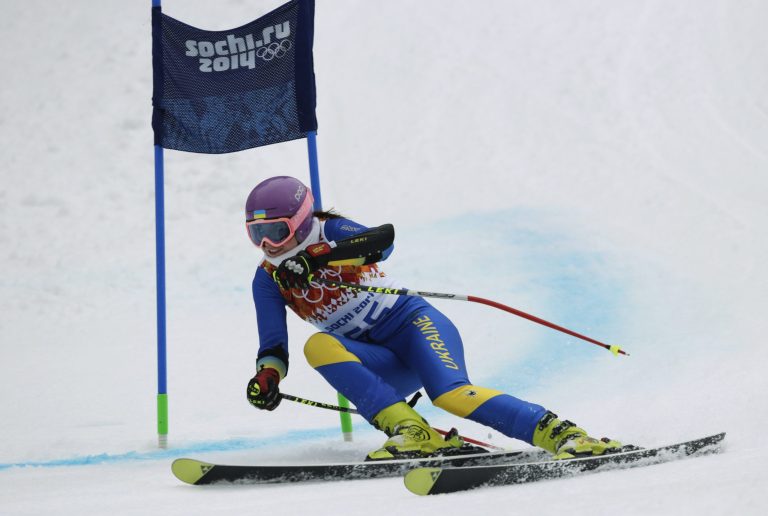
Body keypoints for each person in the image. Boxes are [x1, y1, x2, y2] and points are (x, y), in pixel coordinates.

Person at [244, 176, 621, 460]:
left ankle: (562, 435)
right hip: (375, 361)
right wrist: (268, 375)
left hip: (413, 327)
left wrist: (317, 256)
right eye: (256, 234)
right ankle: (412, 432)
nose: (268, 245)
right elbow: (273, 344)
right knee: (318, 345)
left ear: (302, 219)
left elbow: (383, 241)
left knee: (452, 395)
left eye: (276, 231)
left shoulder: (330, 231)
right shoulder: (267, 278)